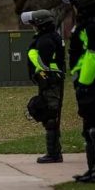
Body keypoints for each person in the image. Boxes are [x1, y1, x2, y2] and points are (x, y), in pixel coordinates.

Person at [62, 0, 95, 182]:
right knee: (88, 129)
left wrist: (85, 84)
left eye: (77, 5)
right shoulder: (86, 25)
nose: (75, 9)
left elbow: (94, 57)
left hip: (94, 84)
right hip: (87, 83)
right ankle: (92, 168)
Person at [21, 9, 65, 163]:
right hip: (50, 81)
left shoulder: (46, 40)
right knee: (50, 114)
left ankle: (54, 154)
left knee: (51, 117)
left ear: (41, 25)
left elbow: (42, 63)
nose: (33, 27)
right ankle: (54, 151)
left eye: (35, 24)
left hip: (50, 82)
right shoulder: (51, 37)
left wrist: (35, 61)